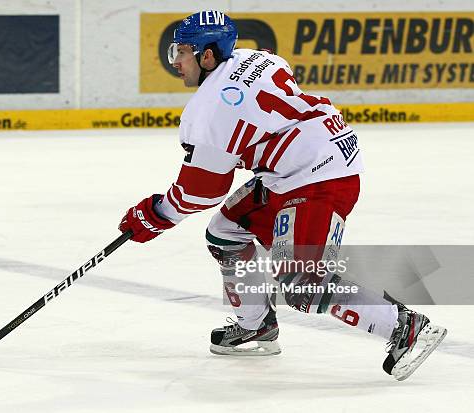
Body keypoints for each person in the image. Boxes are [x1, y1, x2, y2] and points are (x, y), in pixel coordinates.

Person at [118, 10, 446, 380]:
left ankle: (404, 326)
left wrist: (155, 215)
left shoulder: (208, 110)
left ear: (208, 55)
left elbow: (202, 191)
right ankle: (256, 324)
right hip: (299, 165)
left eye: (182, 52)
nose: (176, 61)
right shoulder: (255, 58)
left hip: (320, 176)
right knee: (225, 232)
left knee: (303, 283)